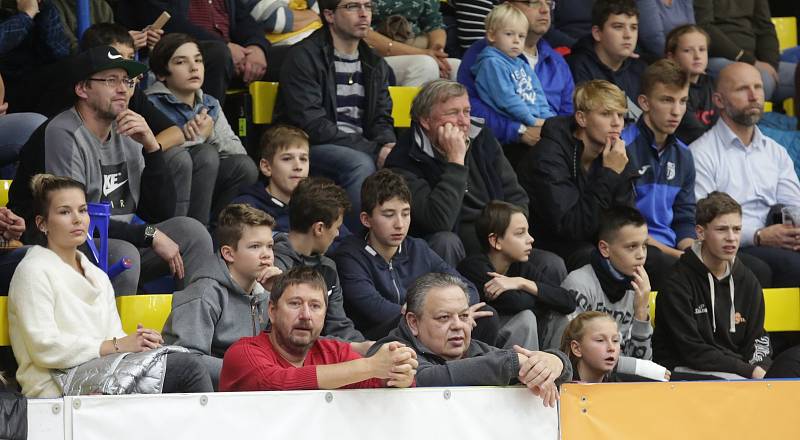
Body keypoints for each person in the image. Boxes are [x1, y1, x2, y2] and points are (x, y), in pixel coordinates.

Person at [8, 45, 214, 296]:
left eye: (127, 81)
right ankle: (115, 335)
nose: (122, 89)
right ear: (82, 88)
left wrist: (151, 148)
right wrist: (149, 234)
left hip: (118, 237)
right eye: (110, 80)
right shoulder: (62, 133)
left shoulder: (128, 131)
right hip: (62, 242)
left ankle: (190, 329)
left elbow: (158, 212)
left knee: (193, 233)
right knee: (122, 255)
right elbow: (73, 222)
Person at [8, 174, 213, 398]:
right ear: (42, 223)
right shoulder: (32, 270)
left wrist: (139, 344)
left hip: (101, 373)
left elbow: (113, 337)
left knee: (182, 361)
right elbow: (44, 347)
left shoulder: (96, 275)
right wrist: (116, 345)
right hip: (54, 386)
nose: (78, 219)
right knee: (188, 370)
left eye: (83, 210)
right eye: (65, 212)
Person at [332, 169, 509, 347]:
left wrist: (460, 313)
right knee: (408, 325)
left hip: (424, 324)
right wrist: (431, 317)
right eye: (388, 214)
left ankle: (470, 369)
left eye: (405, 213)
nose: (399, 224)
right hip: (382, 335)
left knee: (485, 315)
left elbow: (467, 287)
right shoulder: (350, 254)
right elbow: (375, 308)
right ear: (366, 219)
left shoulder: (417, 248)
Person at [654, 192, 800, 380]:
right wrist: (748, 371)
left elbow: (758, 340)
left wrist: (760, 367)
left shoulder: (747, 279)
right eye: (722, 230)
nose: (731, 238)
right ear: (700, 232)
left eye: (737, 229)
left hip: (739, 373)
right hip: (683, 374)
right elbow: (692, 351)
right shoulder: (677, 282)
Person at [368, 272, 571, 407]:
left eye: (464, 316)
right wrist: (513, 363)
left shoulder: (474, 349)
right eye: (444, 318)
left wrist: (555, 362)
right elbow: (425, 378)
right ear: (413, 322)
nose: (458, 325)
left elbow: (561, 371)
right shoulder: (389, 349)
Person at [384, 79, 529, 266]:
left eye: (466, 112)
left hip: (496, 241)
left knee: (550, 263)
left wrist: (506, 234)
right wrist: (456, 161)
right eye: (452, 113)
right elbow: (437, 221)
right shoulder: (404, 160)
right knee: (446, 241)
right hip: (449, 248)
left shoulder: (482, 138)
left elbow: (516, 197)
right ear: (426, 120)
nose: (463, 122)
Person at [279, 0, 396, 230]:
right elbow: (312, 125)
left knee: (407, 159)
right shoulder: (303, 57)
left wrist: (387, 145)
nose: (364, 14)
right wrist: (373, 150)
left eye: (368, 6)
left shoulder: (375, 63)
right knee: (359, 164)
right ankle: (351, 244)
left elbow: (382, 117)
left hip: (361, 147)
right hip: (311, 146)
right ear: (329, 15)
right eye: (353, 6)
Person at [690, 62, 800, 288]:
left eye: (758, 87)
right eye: (742, 89)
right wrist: (758, 235)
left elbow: (794, 205)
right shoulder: (701, 153)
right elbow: (702, 218)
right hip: (733, 244)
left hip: (778, 240)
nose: (754, 96)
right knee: (789, 266)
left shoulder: (775, 151)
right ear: (719, 100)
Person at [219, 266, 418, 391]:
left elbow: (378, 385)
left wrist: (399, 377)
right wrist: (370, 366)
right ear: (272, 311)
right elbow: (277, 383)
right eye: (295, 304)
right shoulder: (243, 352)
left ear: (325, 314)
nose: (305, 315)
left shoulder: (335, 353)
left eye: (315, 306)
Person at [517, 80, 638, 270]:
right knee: (591, 257)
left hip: (597, 241)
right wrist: (609, 174)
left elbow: (623, 219)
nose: (616, 123)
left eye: (621, 115)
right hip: (546, 244)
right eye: (606, 114)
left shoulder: (618, 153)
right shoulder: (548, 155)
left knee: (652, 259)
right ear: (581, 118)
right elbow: (571, 226)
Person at [162, 204, 282, 389]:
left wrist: (281, 293)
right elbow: (188, 361)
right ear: (229, 253)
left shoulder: (265, 293)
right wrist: (251, 372)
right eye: (255, 246)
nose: (266, 254)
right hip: (200, 397)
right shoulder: (204, 294)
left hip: (244, 390)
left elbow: (288, 347)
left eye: (269, 246)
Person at [146, 33, 258, 226]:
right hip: (164, 186)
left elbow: (238, 151)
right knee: (205, 154)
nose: (194, 67)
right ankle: (192, 230)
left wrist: (210, 134)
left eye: (198, 60)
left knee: (244, 167)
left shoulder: (209, 103)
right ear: (162, 74)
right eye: (181, 62)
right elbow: (150, 154)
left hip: (203, 187)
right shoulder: (151, 102)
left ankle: (217, 233)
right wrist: (194, 139)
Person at [458, 201, 575, 350]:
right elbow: (516, 303)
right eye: (520, 233)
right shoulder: (474, 267)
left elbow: (568, 301)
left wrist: (521, 283)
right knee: (527, 317)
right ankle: (528, 371)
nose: (530, 239)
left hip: (512, 342)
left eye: (528, 231)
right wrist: (541, 299)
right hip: (484, 348)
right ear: (495, 241)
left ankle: (556, 367)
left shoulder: (520, 268)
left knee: (560, 317)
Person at [457, 0, 574, 148]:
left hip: (553, 144)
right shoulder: (483, 54)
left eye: (549, 3)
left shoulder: (557, 61)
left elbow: (568, 113)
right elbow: (468, 106)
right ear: (509, 6)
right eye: (533, 2)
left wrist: (555, 132)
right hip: (502, 149)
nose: (545, 10)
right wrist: (518, 131)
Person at [272, 176, 369, 351]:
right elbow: (287, 335)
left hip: (330, 353)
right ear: (319, 228)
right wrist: (353, 348)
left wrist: (367, 347)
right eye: (337, 227)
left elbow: (340, 326)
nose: (338, 234)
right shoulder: (274, 267)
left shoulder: (328, 268)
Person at [621, 59, 695, 260]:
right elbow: (623, 222)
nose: (677, 111)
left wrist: (691, 252)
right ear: (644, 102)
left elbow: (684, 217)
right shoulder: (621, 148)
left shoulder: (684, 155)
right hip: (633, 249)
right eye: (667, 100)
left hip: (671, 250)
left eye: (683, 101)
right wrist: (680, 258)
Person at [117, 0, 270, 95]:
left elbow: (244, 18)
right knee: (218, 53)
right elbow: (167, 20)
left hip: (236, 53)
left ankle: (284, 142)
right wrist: (227, 47)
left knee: (290, 57)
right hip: (185, 48)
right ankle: (207, 129)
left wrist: (256, 47)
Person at [561, 206, 654, 361]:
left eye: (644, 245)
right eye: (632, 247)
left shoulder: (639, 287)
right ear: (605, 249)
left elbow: (643, 363)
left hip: (621, 382)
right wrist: (635, 367)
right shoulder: (579, 284)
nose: (641, 255)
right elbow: (573, 355)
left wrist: (641, 313)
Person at [471, 3, 555, 130]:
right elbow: (506, 99)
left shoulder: (522, 64)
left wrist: (549, 119)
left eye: (521, 36)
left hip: (533, 121)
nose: (516, 40)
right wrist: (532, 120)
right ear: (492, 36)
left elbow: (538, 94)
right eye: (509, 34)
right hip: (514, 127)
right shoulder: (491, 63)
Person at [695, 0, 797, 104]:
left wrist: (771, 66)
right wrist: (750, 61)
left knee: (787, 76)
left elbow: (765, 28)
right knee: (763, 82)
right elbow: (705, 28)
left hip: (754, 60)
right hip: (719, 57)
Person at [566, 0, 647, 120]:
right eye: (618, 27)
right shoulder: (577, 66)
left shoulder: (641, 69)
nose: (628, 35)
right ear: (597, 33)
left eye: (633, 27)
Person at [361, 0, 461, 86]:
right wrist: (423, 53)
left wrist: (438, 54)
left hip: (418, 49)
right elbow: (362, 31)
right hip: (371, 54)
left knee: (457, 67)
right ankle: (409, 108)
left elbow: (435, 25)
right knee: (425, 65)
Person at [232, 124, 310, 233]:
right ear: (266, 167)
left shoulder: (314, 205)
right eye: (287, 159)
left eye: (303, 159)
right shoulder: (246, 208)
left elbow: (340, 239)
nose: (298, 166)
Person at [560, 310, 671, 382]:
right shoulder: (556, 387)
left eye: (615, 340)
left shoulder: (618, 386)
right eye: (600, 340)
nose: (611, 348)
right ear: (577, 348)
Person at [0, 0, 69, 111]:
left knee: (68, 70)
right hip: (6, 83)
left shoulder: (46, 7)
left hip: (34, 80)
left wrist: (39, 10)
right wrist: (28, 14)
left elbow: (60, 53)